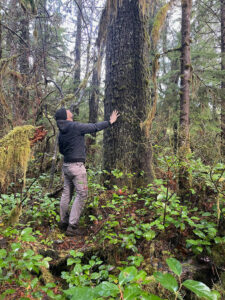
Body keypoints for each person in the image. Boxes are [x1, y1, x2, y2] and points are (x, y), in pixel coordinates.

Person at [55, 107, 119, 236]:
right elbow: (94, 127)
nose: (70, 111)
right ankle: (72, 227)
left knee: (66, 194)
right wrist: (109, 122)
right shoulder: (75, 126)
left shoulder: (61, 132)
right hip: (77, 167)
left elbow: (61, 150)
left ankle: (63, 222)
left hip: (66, 166)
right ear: (66, 116)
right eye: (67, 111)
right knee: (82, 194)